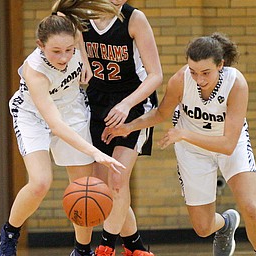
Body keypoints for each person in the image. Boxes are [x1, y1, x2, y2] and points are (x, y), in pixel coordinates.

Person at [102, 32, 256, 256]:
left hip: (228, 141)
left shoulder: (236, 83)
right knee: (203, 228)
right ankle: (226, 223)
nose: (199, 79)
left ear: (220, 65)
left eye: (205, 73)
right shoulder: (181, 80)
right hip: (192, 150)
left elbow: (228, 144)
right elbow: (161, 113)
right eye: (193, 71)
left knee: (251, 207)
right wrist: (129, 127)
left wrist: (184, 134)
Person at [0, 1, 125, 256]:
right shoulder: (36, 72)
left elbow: (68, 19)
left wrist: (85, 60)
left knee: (84, 186)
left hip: (71, 107)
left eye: (69, 50)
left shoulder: (72, 34)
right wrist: (96, 152)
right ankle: (9, 234)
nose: (65, 57)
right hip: (33, 114)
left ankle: (81, 249)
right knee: (41, 182)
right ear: (40, 46)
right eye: (56, 51)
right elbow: (55, 124)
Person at [81, 0, 163, 255]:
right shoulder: (82, 15)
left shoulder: (134, 19)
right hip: (97, 104)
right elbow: (59, 13)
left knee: (117, 181)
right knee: (103, 185)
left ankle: (106, 245)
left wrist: (126, 105)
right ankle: (134, 245)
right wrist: (83, 59)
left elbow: (156, 75)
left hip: (134, 103)